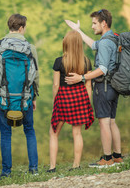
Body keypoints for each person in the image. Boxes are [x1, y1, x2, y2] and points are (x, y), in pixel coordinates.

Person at [65, 9, 123, 168]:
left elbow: (102, 69)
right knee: (112, 122)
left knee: (104, 123)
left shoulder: (105, 42)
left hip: (103, 86)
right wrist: (78, 31)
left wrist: (81, 78)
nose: (92, 26)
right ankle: (117, 156)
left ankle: (107, 158)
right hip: (114, 85)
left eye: (94, 23)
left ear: (103, 23)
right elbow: (93, 45)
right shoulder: (113, 38)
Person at [0, 14, 39, 179]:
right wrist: (34, 98)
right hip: (25, 98)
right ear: (22, 28)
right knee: (29, 131)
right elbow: (35, 75)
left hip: (3, 99)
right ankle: (33, 169)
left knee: (5, 134)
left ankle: (6, 172)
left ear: (9, 27)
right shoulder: (30, 48)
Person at [47, 30, 94, 172]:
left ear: (66, 43)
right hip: (80, 97)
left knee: (54, 132)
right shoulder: (86, 62)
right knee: (77, 133)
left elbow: (56, 85)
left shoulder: (59, 61)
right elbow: (88, 85)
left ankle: (52, 166)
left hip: (64, 98)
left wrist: (56, 101)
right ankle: (76, 165)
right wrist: (88, 103)